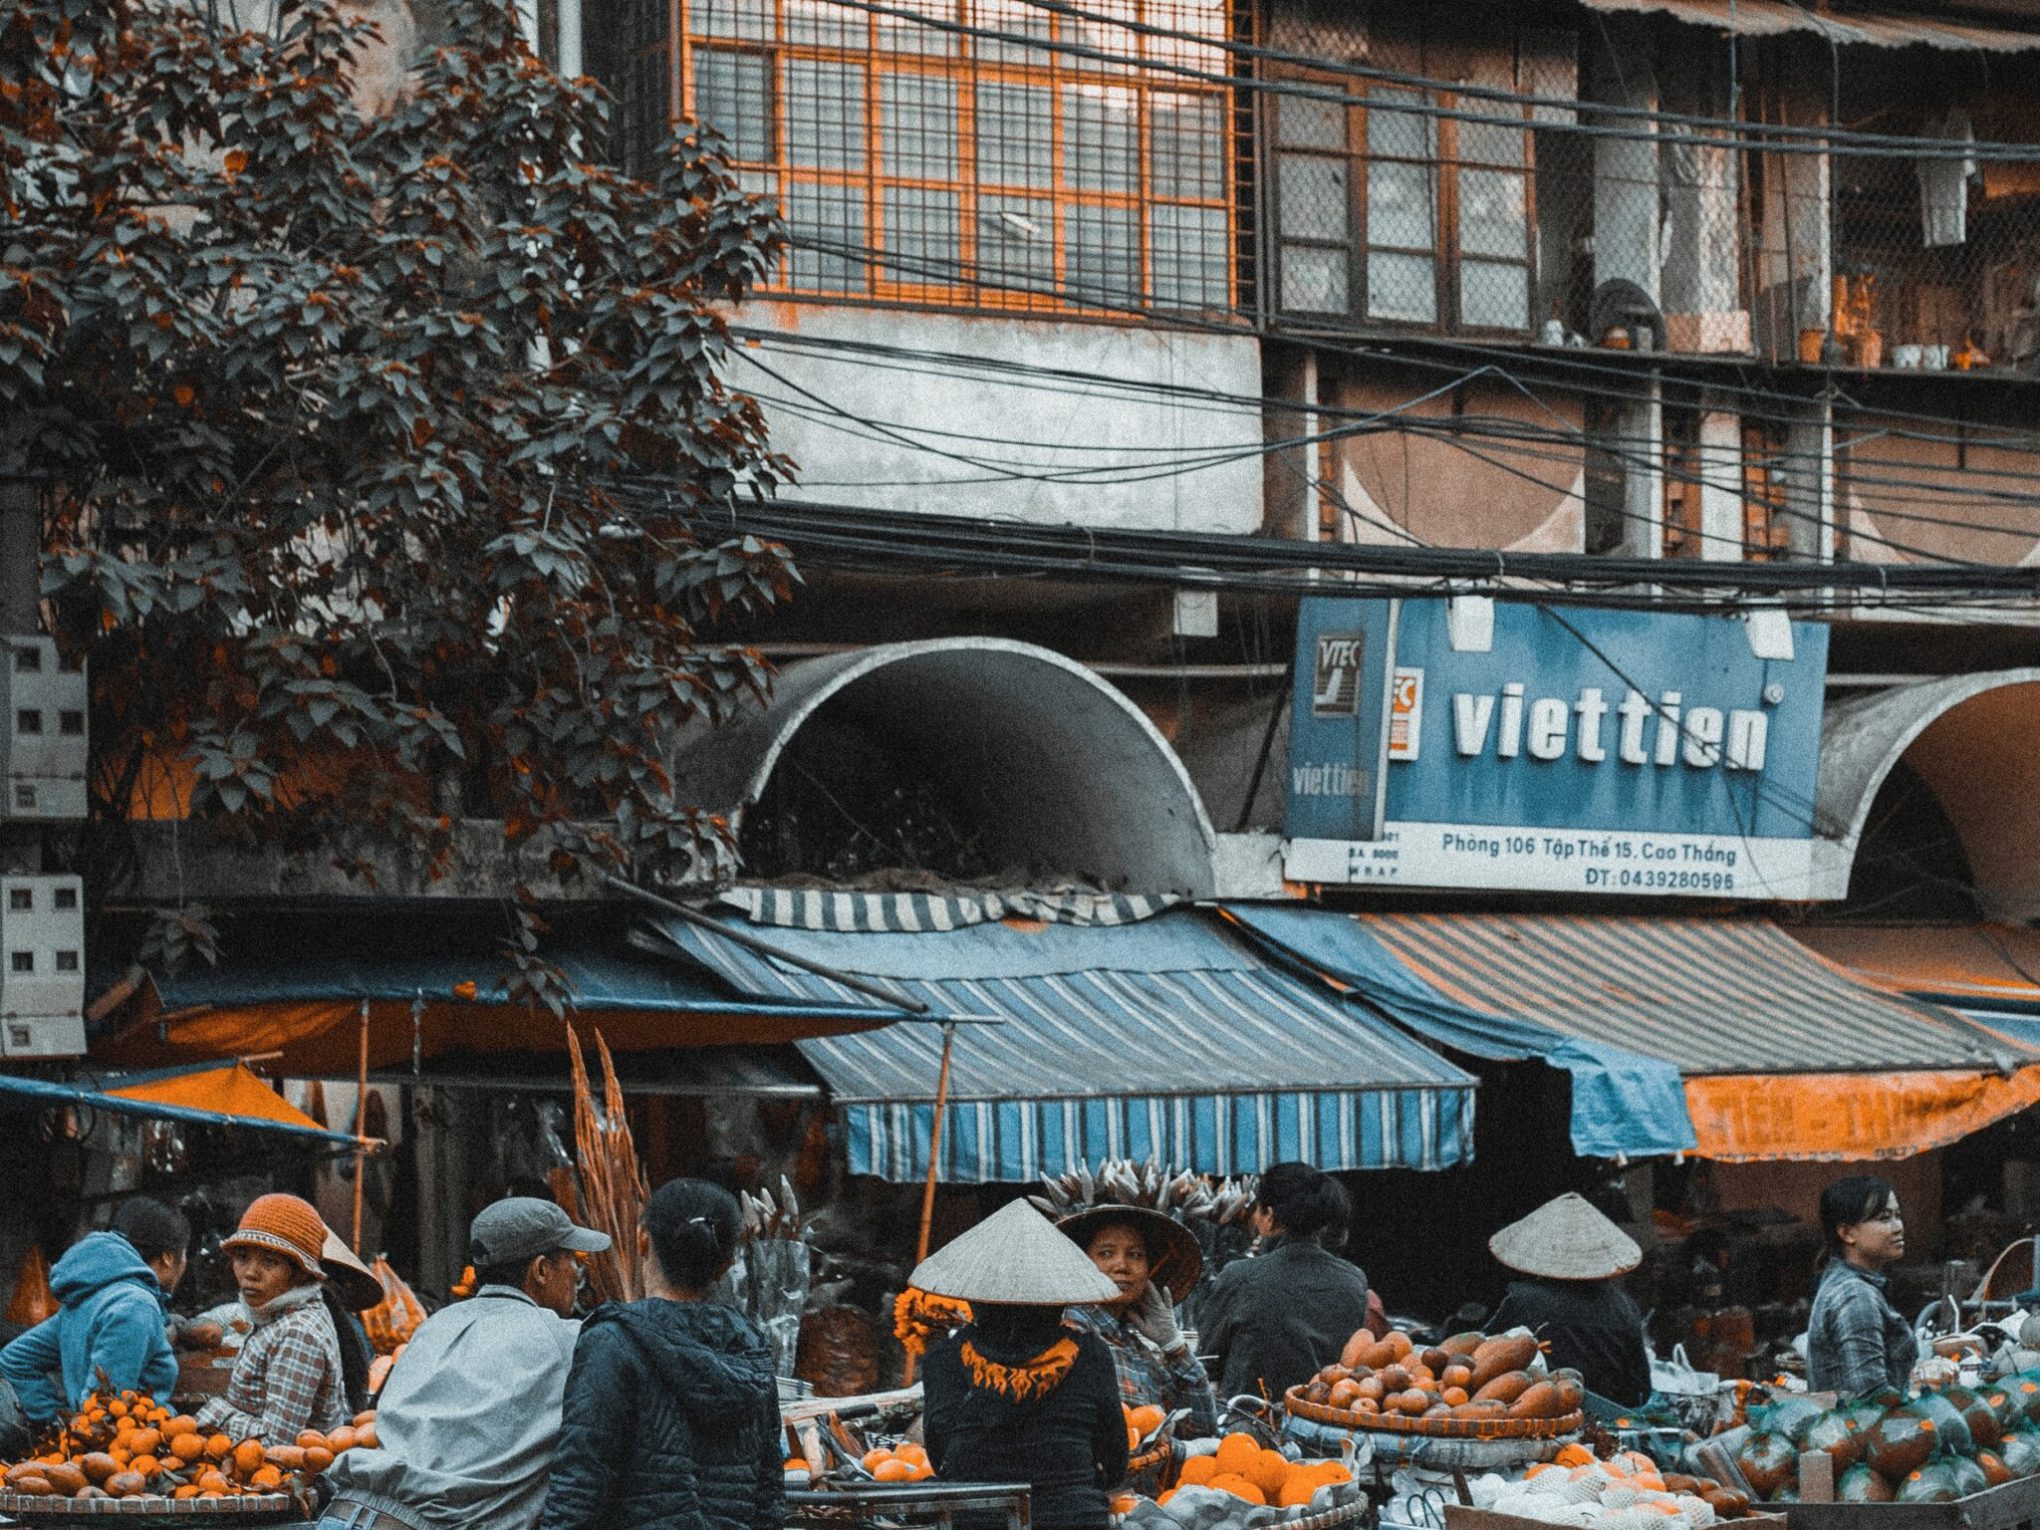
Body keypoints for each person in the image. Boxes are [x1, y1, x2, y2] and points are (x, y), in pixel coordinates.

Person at [317, 1198, 611, 1530]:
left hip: (343, 1514)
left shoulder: (435, 1325)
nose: (577, 1275)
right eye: (573, 1261)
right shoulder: (568, 1339)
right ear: (541, 1270)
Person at [539, 1180, 783, 1530]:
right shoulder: (749, 1349)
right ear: (726, 1263)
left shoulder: (613, 1343)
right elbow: (769, 1499)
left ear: (641, 1239)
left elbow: (579, 1491)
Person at [917, 1199, 1127, 1530]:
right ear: (1057, 1297)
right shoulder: (1091, 1354)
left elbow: (940, 1452)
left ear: (975, 1296)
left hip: (976, 1521)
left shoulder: (944, 1359)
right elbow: (1115, 1461)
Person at [1057, 1203, 1216, 1482]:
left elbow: (1199, 1426)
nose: (1122, 1266)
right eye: (1106, 1253)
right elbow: (1103, 1442)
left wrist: (1173, 1344)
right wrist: (1181, 1450)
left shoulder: (1134, 1345)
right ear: (1081, 1263)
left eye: (1135, 1255)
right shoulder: (1070, 1335)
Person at [0, 1196, 187, 1424]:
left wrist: (55, 1421)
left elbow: (15, 1360)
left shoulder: (88, 1299)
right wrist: (61, 1425)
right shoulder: (135, 1306)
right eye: (184, 1253)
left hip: (95, 1446)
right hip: (130, 1451)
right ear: (168, 1257)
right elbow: (105, 1410)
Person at [1199, 1163, 1369, 1402]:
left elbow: (1208, 1362)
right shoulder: (1353, 1280)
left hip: (1251, 1425)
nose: (1254, 1219)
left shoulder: (1239, 1276)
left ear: (1269, 1217)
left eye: (1257, 1210)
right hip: (1321, 1421)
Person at [195, 1193, 350, 1443]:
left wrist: (217, 1412)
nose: (250, 1273)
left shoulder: (298, 1334)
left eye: (269, 1262)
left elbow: (278, 1443)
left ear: (299, 1274)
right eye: (242, 1258)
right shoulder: (273, 1315)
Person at [1484, 1193, 1651, 1407]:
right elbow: (1639, 1389)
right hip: (1605, 1421)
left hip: (1534, 1415)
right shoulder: (1625, 1306)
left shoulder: (1521, 1298)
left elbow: (1483, 1363)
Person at [1806, 1175, 1914, 1397]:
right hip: (1861, 1429)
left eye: (1898, 1215)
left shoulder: (1846, 1280)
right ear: (1847, 1233)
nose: (1898, 1228)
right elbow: (1872, 1399)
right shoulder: (1855, 1295)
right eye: (1885, 1219)